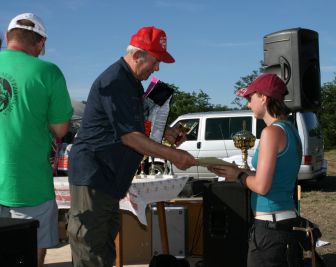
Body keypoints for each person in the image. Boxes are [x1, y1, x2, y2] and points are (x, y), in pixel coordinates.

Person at [67, 26, 197, 267]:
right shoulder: (116, 80)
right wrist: (174, 155)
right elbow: (129, 137)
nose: (157, 68)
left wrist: (166, 132)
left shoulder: (131, 83)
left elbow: (132, 126)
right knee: (91, 250)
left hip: (108, 179)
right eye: (156, 61)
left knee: (103, 249)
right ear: (138, 55)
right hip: (95, 176)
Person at [207, 73, 303, 267]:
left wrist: (239, 175)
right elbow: (271, 177)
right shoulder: (290, 130)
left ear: (264, 98)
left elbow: (261, 186)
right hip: (286, 224)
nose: (248, 104)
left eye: (250, 98)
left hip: (270, 230)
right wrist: (234, 171)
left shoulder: (271, 132)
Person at [0, 13, 73, 267]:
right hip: (28, 186)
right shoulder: (48, 72)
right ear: (41, 44)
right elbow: (61, 128)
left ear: (8, 37)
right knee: (28, 255)